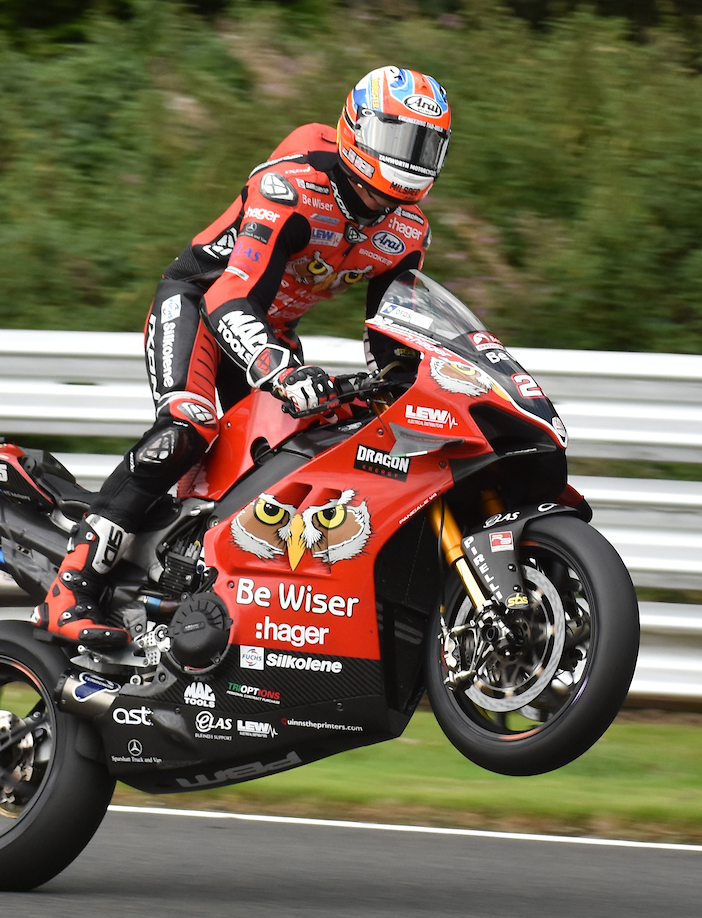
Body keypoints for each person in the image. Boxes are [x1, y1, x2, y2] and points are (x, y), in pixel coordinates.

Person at [43, 65, 454, 647]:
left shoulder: (408, 229)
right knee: (189, 424)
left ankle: (211, 583)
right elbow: (230, 294)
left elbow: (394, 338)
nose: (411, 158)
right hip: (201, 305)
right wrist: (279, 367)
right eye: (398, 139)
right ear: (357, 127)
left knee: (308, 445)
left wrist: (412, 385)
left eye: (425, 144)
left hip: (272, 327)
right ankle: (71, 583)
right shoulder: (293, 185)